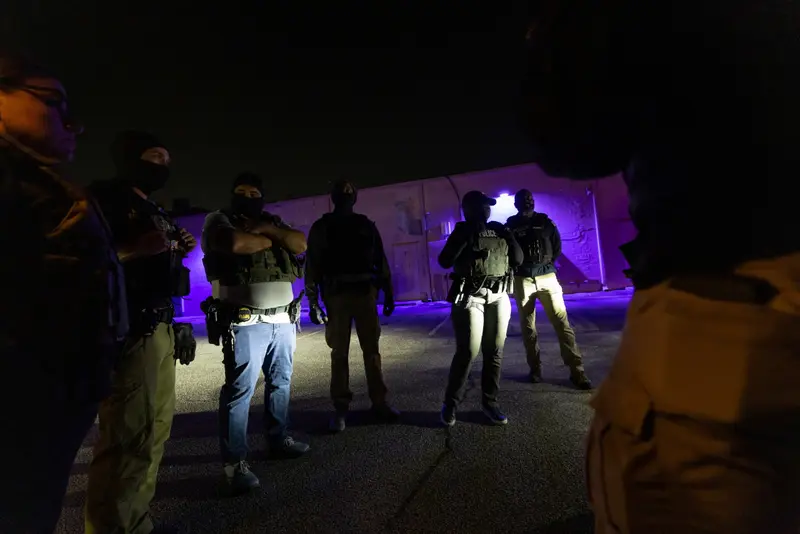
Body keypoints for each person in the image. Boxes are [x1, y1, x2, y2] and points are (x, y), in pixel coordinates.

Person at [523, 1, 800, 532]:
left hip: (722, 307)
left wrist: (549, 34)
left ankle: (574, 371)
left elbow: (565, 134)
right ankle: (540, 369)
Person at [0, 53, 128, 533]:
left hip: (50, 398)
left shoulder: (37, 184)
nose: (73, 123)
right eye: (54, 102)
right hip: (24, 405)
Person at [85, 131, 197, 534]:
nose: (163, 165)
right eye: (154, 157)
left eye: (167, 159)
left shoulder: (153, 208)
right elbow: (83, 259)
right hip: (132, 330)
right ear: (130, 159)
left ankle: (136, 521)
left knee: (154, 433)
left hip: (160, 327)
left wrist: (177, 247)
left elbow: (159, 264)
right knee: (128, 439)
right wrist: (138, 248)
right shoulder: (103, 201)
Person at [201, 172, 309, 495]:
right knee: (239, 393)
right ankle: (234, 464)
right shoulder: (218, 219)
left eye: (254, 193)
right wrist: (274, 238)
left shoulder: (272, 221)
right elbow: (235, 243)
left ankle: (278, 439)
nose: (248, 198)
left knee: (281, 383)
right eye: (241, 192)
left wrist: (269, 230)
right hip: (246, 323)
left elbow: (300, 243)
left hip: (283, 321)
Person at [305, 180, 401, 433]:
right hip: (337, 296)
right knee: (339, 354)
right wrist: (312, 302)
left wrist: (389, 293)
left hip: (364, 294)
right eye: (342, 192)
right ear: (334, 197)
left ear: (355, 197)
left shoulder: (365, 225)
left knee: (372, 352)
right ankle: (340, 408)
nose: (346, 195)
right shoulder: (322, 227)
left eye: (349, 192)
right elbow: (312, 266)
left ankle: (379, 402)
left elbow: (380, 260)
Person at [438, 191, 523, 427]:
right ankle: (450, 404)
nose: (487, 210)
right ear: (469, 209)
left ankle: (490, 402)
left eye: (488, 206)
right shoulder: (462, 230)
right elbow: (445, 260)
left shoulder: (498, 229)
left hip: (499, 296)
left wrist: (508, 235)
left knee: (494, 351)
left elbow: (517, 259)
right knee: (467, 352)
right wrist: (466, 235)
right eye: (483, 206)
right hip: (470, 296)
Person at [506, 188, 591, 389]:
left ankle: (577, 372)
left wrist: (547, 265)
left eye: (530, 198)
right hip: (523, 280)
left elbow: (557, 246)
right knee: (528, 328)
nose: (527, 202)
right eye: (523, 199)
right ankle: (535, 369)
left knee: (562, 324)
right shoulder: (511, 224)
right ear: (516, 204)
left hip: (547, 277)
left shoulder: (545, 221)